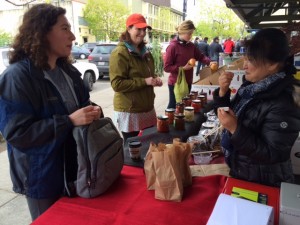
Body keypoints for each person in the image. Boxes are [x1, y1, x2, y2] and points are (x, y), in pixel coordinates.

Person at [0, 4, 102, 221]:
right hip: (42, 179)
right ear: (42, 32)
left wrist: (93, 111)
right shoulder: (17, 77)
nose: (73, 36)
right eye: (65, 29)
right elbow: (18, 133)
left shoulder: (69, 71)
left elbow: (82, 104)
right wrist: (69, 121)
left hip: (77, 169)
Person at [213, 28, 300, 187]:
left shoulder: (284, 101)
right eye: (245, 59)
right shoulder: (253, 86)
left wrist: (235, 128)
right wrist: (223, 92)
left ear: (272, 64)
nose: (244, 65)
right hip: (243, 170)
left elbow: (273, 153)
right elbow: (228, 114)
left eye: (251, 60)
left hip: (264, 181)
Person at [109, 13, 163, 142]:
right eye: (138, 29)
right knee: (133, 151)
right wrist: (145, 81)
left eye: (144, 29)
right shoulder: (120, 53)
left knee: (149, 146)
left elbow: (147, 75)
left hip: (147, 108)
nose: (142, 33)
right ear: (128, 29)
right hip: (129, 111)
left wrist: (154, 79)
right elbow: (117, 84)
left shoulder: (145, 51)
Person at [164, 20, 210, 109]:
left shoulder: (191, 46)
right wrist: (182, 68)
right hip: (176, 83)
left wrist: (209, 61)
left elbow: (200, 56)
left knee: (184, 105)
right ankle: (166, 122)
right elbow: (167, 67)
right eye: (189, 33)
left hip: (188, 81)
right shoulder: (172, 47)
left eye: (191, 33)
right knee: (174, 106)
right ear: (182, 32)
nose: (190, 36)